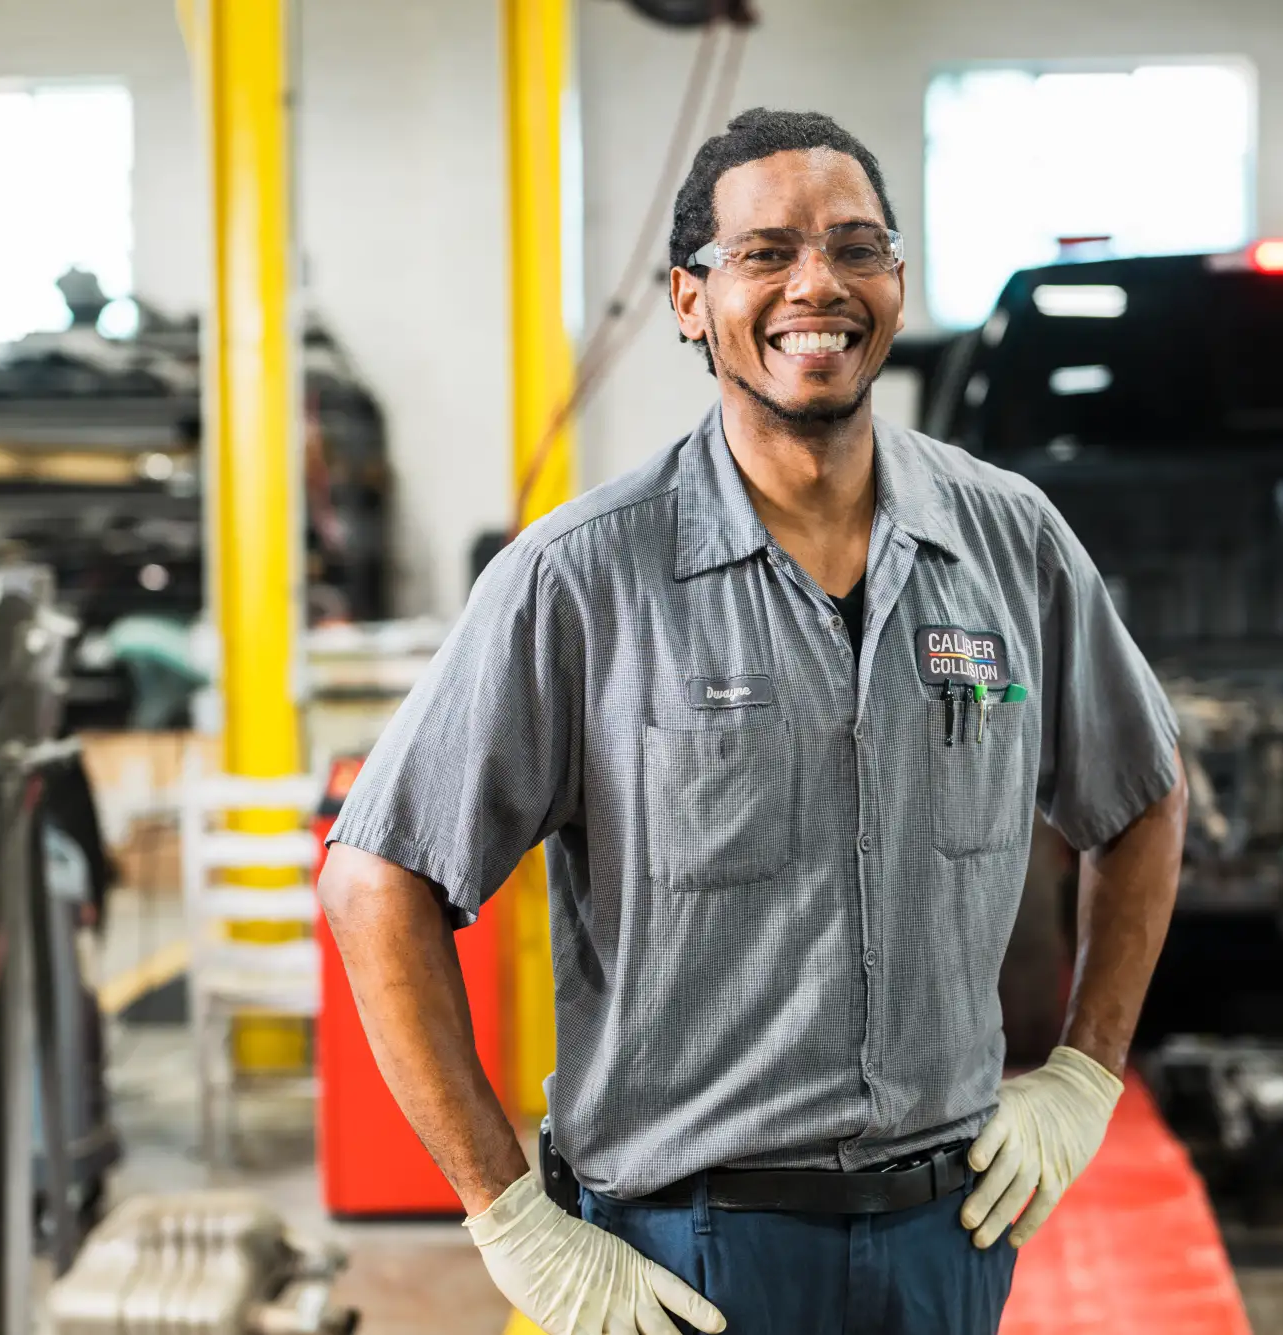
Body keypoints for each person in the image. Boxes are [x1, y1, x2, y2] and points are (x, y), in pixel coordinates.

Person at [316, 107, 1186, 1335]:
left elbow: (1142, 794)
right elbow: (376, 882)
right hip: (686, 1259)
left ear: (895, 283)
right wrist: (509, 1219)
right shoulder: (582, 580)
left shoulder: (1012, 544)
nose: (815, 284)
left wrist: (1087, 1073)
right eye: (766, 252)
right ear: (689, 299)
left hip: (950, 1237)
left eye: (855, 246)